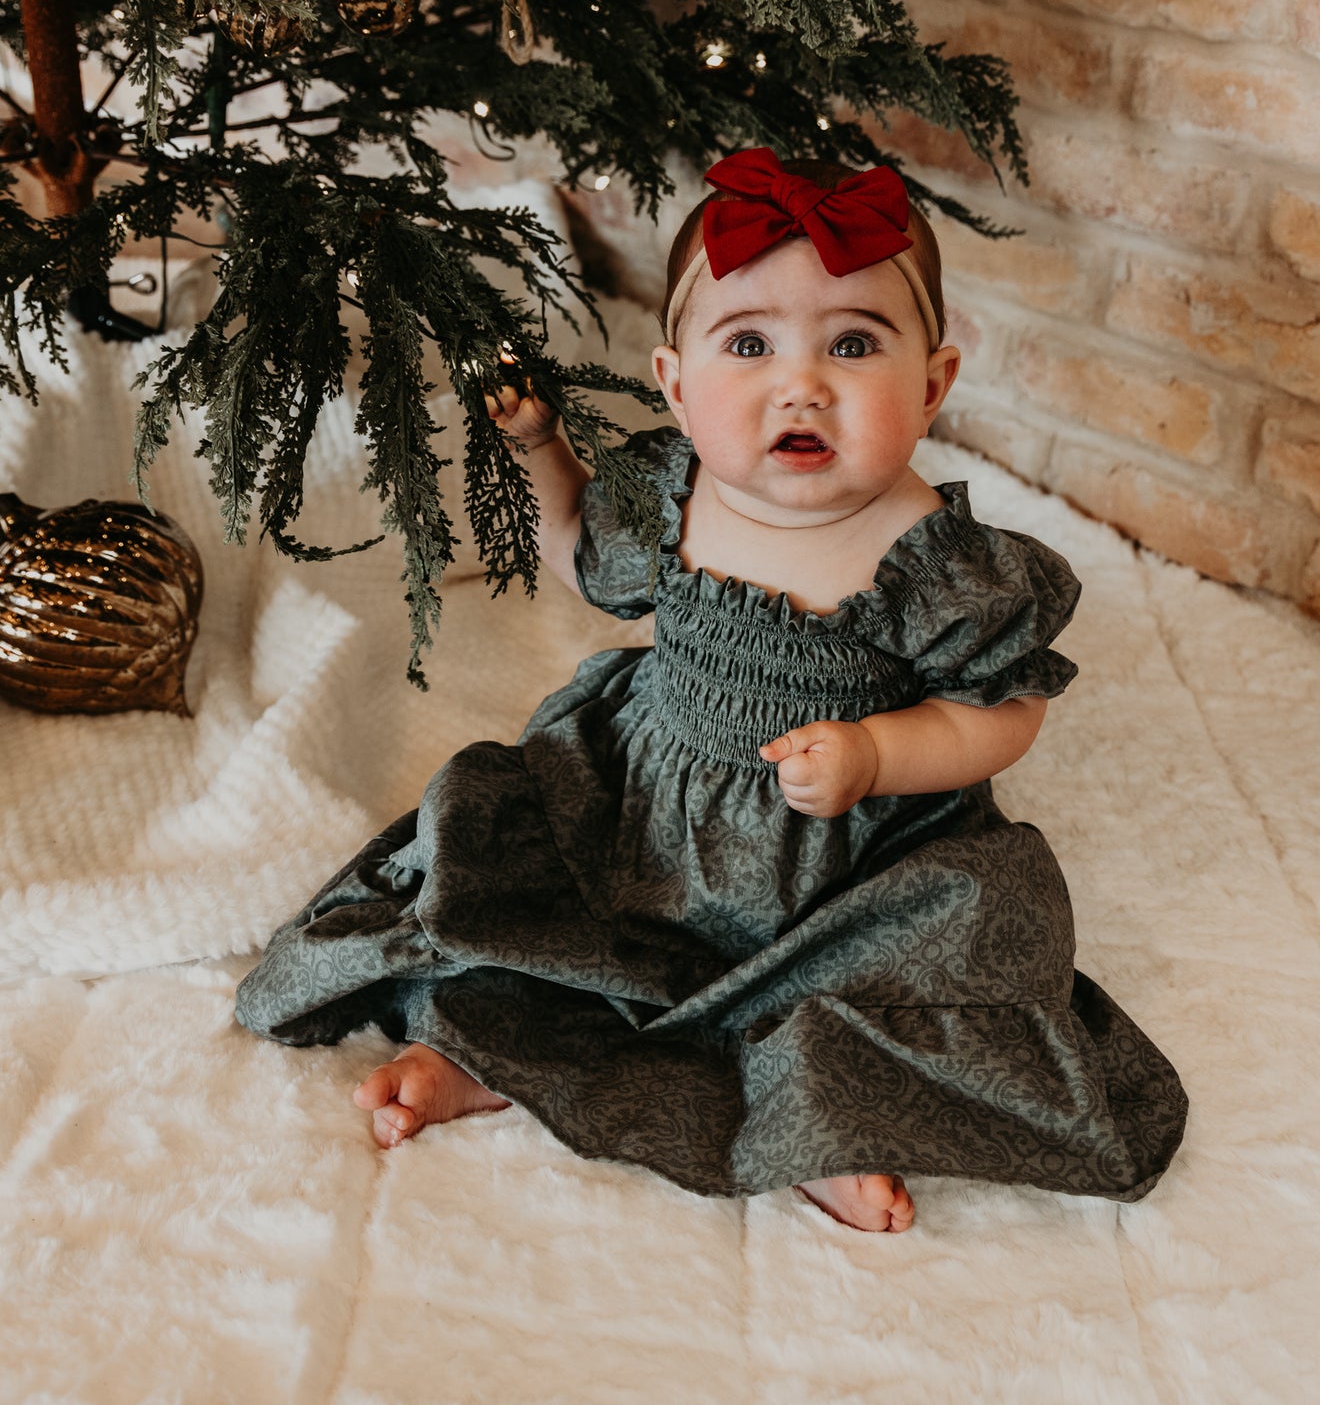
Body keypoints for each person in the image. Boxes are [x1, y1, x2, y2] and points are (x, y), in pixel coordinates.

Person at [236, 147, 1187, 1233]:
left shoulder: (929, 555)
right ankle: (482, 1057)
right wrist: (543, 449)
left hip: (837, 862)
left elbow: (1005, 708)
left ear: (931, 385)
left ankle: (823, 1117)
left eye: (852, 343)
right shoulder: (671, 492)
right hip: (647, 806)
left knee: (927, 959)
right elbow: (580, 555)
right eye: (748, 343)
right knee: (530, 900)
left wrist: (882, 754)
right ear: (677, 384)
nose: (802, 383)